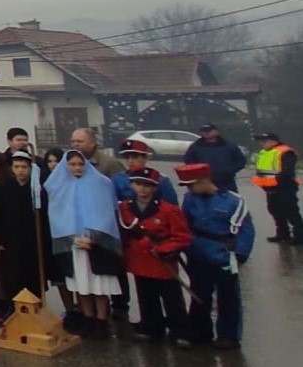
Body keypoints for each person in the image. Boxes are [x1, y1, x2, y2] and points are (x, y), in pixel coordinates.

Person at [46, 148, 123, 338]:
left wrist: (93, 237)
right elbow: (56, 215)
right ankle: (87, 319)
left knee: (99, 285)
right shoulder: (59, 186)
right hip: (74, 243)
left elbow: (108, 214)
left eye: (80, 164)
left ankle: (101, 322)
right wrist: (73, 238)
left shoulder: (101, 184)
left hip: (96, 242)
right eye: (72, 164)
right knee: (82, 284)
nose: (77, 168)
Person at [176, 162, 254, 349]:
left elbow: (246, 230)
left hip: (224, 255)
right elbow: (184, 224)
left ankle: (229, 336)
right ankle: (199, 332)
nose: (189, 188)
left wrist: (241, 254)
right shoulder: (190, 199)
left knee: (228, 297)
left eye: (191, 184)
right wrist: (186, 247)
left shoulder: (234, 201)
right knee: (199, 295)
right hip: (197, 255)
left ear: (204, 180)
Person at [117, 172, 190, 342]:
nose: (142, 188)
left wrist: (164, 249)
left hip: (161, 261)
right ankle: (152, 328)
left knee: (172, 298)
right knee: (146, 296)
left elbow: (182, 236)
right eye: (138, 184)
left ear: (155, 188)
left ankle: (179, 332)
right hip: (139, 259)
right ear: (132, 185)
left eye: (147, 185)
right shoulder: (125, 208)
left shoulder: (168, 210)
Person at [0, 151, 47, 321]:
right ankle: (12, 307)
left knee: (33, 274)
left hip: (32, 239)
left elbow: (43, 215)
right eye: (17, 167)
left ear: (30, 168)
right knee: (12, 275)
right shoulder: (3, 187)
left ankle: (36, 307)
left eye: (24, 167)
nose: (21, 171)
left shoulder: (36, 189)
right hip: (11, 239)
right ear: (12, 168)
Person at [251, 130, 300, 244]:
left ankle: (299, 237)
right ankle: (283, 234)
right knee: (276, 212)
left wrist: (275, 182)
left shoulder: (285, 152)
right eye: (261, 141)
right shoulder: (264, 152)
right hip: (270, 188)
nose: (262, 143)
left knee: (291, 212)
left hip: (284, 188)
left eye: (264, 141)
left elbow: (287, 172)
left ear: (273, 141)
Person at [183, 123, 248, 195]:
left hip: (226, 182)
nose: (206, 133)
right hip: (204, 183)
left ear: (216, 131)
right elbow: (188, 161)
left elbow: (241, 161)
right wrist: (197, 173)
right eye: (204, 131)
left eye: (209, 130)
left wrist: (229, 170)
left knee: (229, 203)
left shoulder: (229, 146)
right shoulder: (196, 147)